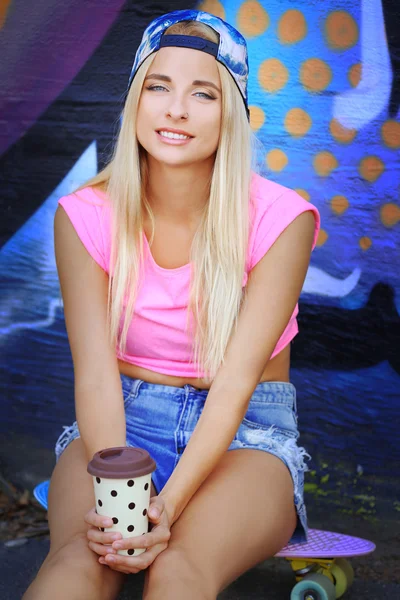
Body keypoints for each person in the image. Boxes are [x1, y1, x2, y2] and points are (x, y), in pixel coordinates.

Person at [23, 9, 320, 600]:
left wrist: (165, 509)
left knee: (178, 570)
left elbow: (235, 384)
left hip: (245, 435)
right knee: (74, 570)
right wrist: (122, 502)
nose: (176, 109)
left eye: (202, 93)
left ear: (229, 113)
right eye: (158, 86)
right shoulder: (85, 215)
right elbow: (96, 376)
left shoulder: (282, 219)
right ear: (136, 98)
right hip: (118, 424)